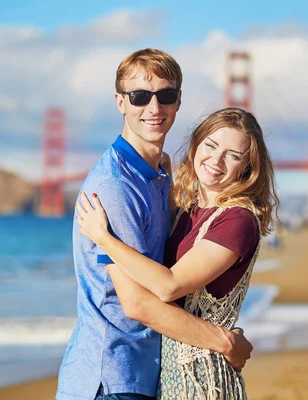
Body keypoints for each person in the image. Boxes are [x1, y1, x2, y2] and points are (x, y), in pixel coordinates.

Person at [56, 50, 253, 400]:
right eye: (139, 96)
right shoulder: (115, 187)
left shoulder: (158, 176)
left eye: (165, 95)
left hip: (142, 375)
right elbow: (136, 303)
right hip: (110, 378)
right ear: (120, 102)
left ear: (178, 101)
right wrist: (224, 342)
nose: (153, 108)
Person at [75, 107, 279, 399]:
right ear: (196, 144)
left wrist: (104, 238)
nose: (216, 160)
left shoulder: (237, 220)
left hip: (204, 381)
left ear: (247, 167)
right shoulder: (192, 213)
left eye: (233, 155)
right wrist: (163, 176)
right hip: (173, 376)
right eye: (210, 145)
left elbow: (168, 285)